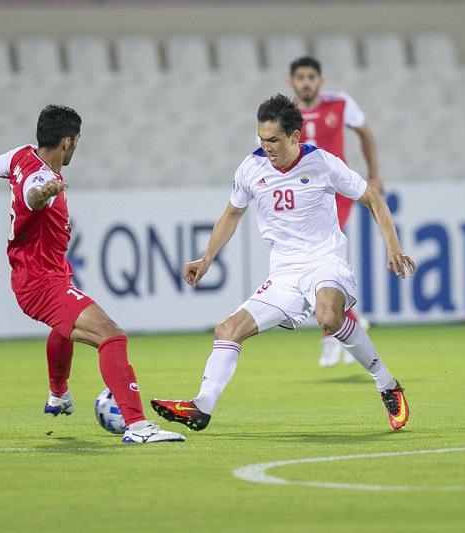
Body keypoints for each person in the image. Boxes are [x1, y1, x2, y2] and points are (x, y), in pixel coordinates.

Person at [0, 104, 184, 445]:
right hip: (40, 283)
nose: (77, 145)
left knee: (64, 329)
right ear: (67, 141)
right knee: (111, 337)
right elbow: (33, 198)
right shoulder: (42, 180)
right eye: (78, 140)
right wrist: (43, 192)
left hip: (44, 274)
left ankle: (58, 395)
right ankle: (138, 427)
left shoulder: (20, 156)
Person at [151, 95, 415, 432]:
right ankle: (201, 407)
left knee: (329, 316)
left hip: (325, 260)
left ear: (295, 137)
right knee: (227, 330)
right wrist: (206, 258)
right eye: (261, 139)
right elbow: (232, 214)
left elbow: (373, 199)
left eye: (274, 140)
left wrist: (393, 247)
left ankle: (387, 384)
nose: (267, 147)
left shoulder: (323, 163)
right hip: (284, 273)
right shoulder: (251, 167)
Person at [289, 56, 383, 368]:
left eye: (311, 76)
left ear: (320, 80)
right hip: (304, 198)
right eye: (300, 77)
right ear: (292, 82)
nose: (306, 82)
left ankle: (332, 334)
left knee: (322, 255)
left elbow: (365, 133)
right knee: (313, 260)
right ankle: (349, 321)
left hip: (337, 191)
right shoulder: (284, 111)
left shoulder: (340, 103)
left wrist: (373, 174)